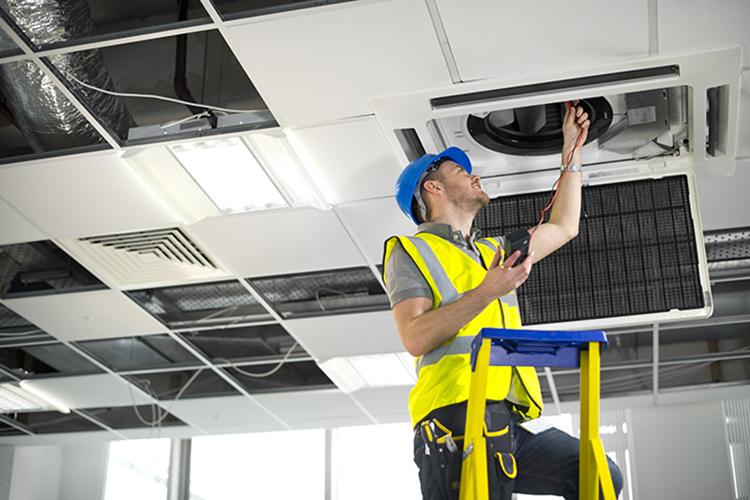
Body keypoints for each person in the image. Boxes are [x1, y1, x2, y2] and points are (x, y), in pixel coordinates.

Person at [382, 104, 624, 499]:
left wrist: (571, 152)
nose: (474, 175)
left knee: (598, 474)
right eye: (460, 172)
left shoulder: (494, 251)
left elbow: (563, 227)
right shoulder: (409, 251)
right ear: (433, 188)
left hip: (503, 420)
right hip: (453, 420)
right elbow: (414, 336)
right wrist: (486, 291)